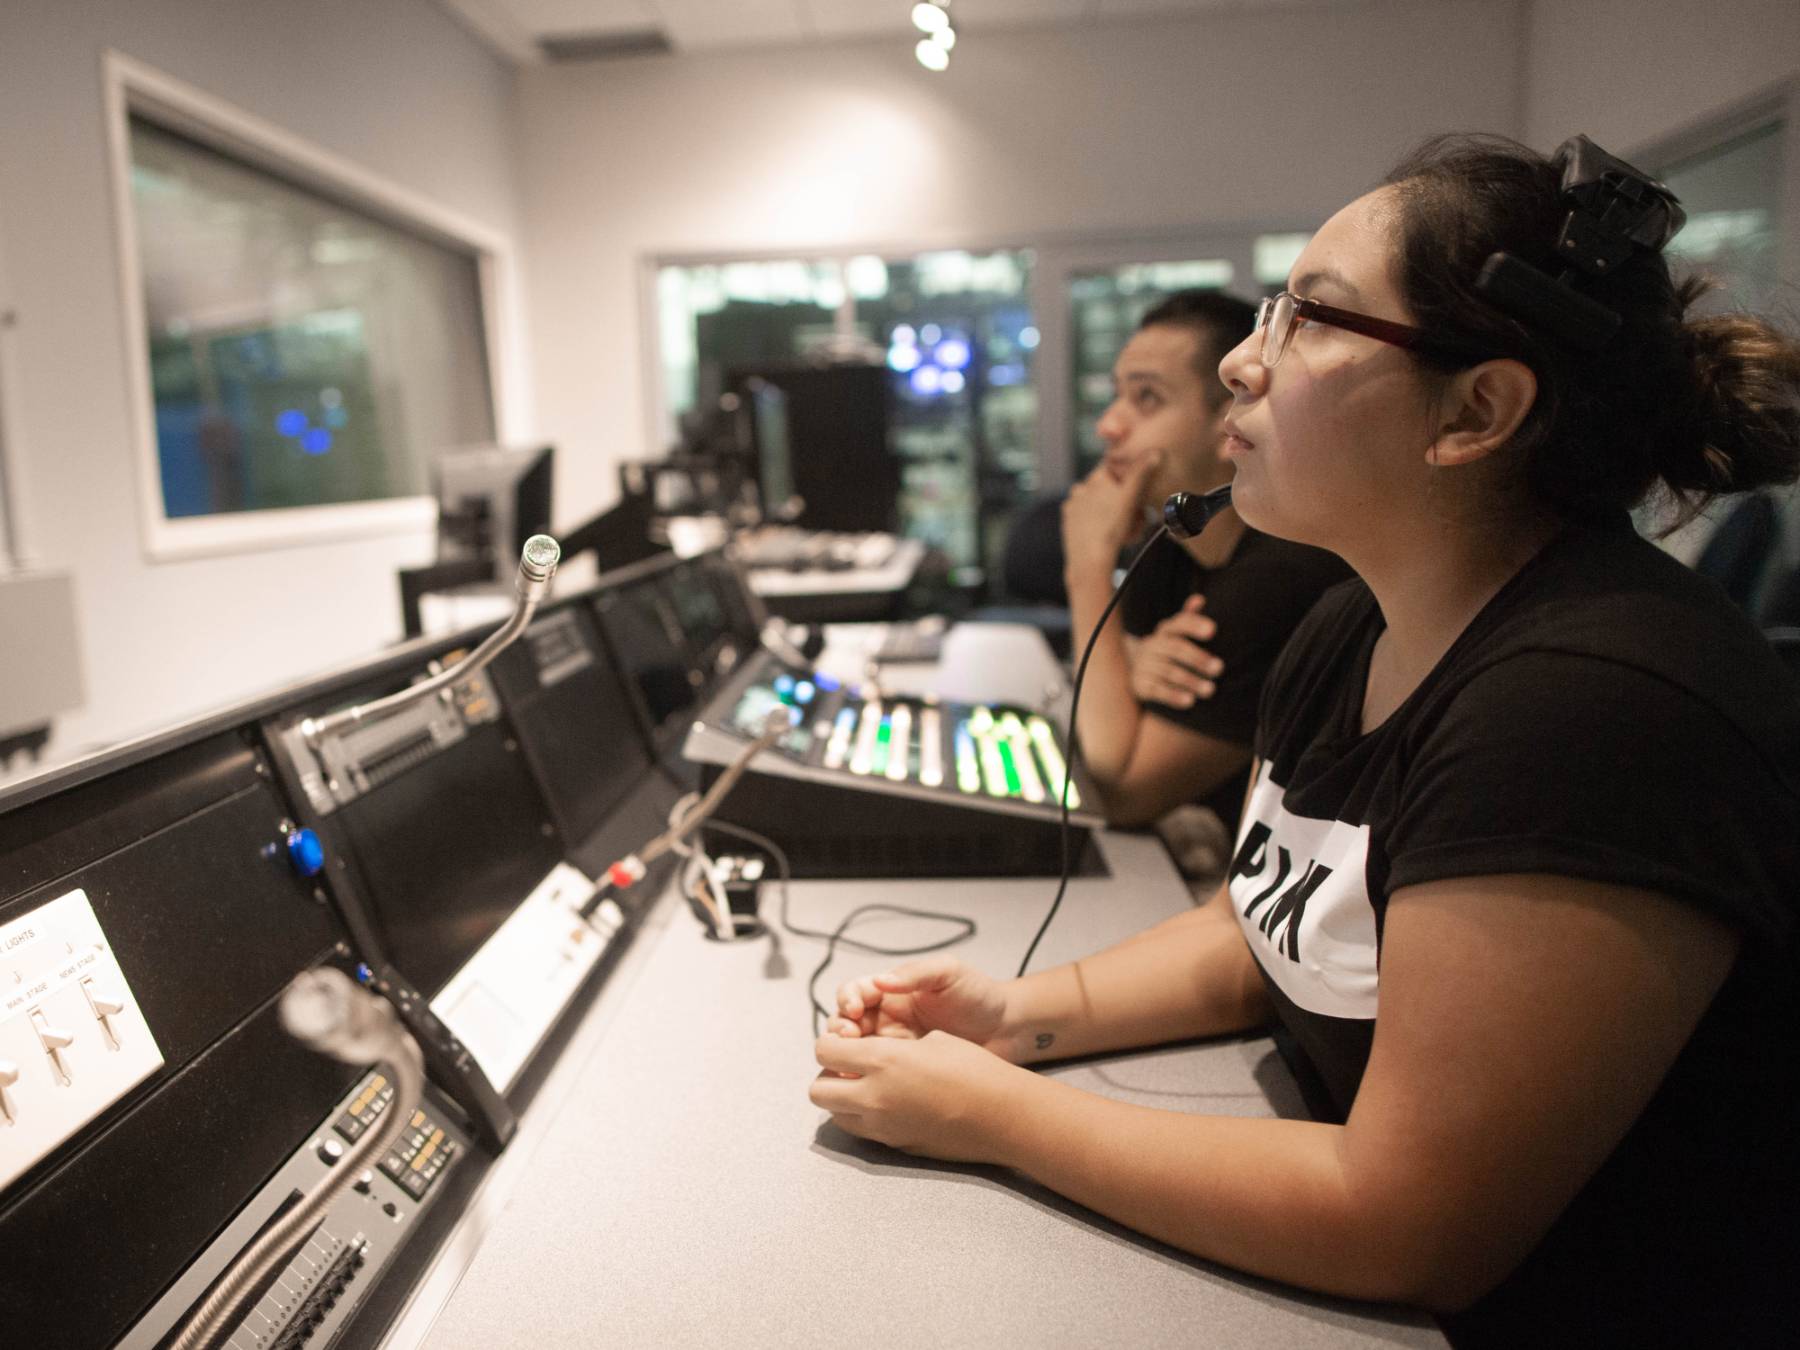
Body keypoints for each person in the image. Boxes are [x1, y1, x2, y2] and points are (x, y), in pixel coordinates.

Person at [811, 133, 1800, 1348]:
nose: (1242, 359)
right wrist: (1014, 1019)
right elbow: (1266, 928)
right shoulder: (1355, 619)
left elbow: (1410, 1223)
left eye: (1312, 319)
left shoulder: (1596, 709)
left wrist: (993, 1117)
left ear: (1477, 411)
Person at [1061, 290, 1347, 834]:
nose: (1109, 426)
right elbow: (1105, 713)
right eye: (1118, 395)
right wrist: (1128, 655)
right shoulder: (1173, 546)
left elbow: (1119, 786)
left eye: (1146, 398)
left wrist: (1087, 566)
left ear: (1228, 422)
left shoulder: (1282, 575)